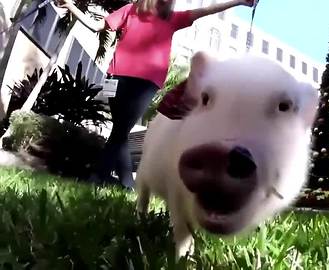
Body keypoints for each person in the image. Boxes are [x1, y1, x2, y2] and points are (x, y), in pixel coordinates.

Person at [55, 0, 255, 188]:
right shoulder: (130, 10)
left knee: (120, 131)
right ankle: (127, 184)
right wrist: (71, 5)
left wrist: (238, 1)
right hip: (116, 76)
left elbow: (207, 10)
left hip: (146, 83)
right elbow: (96, 26)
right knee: (120, 131)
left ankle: (97, 177)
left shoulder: (173, 19)